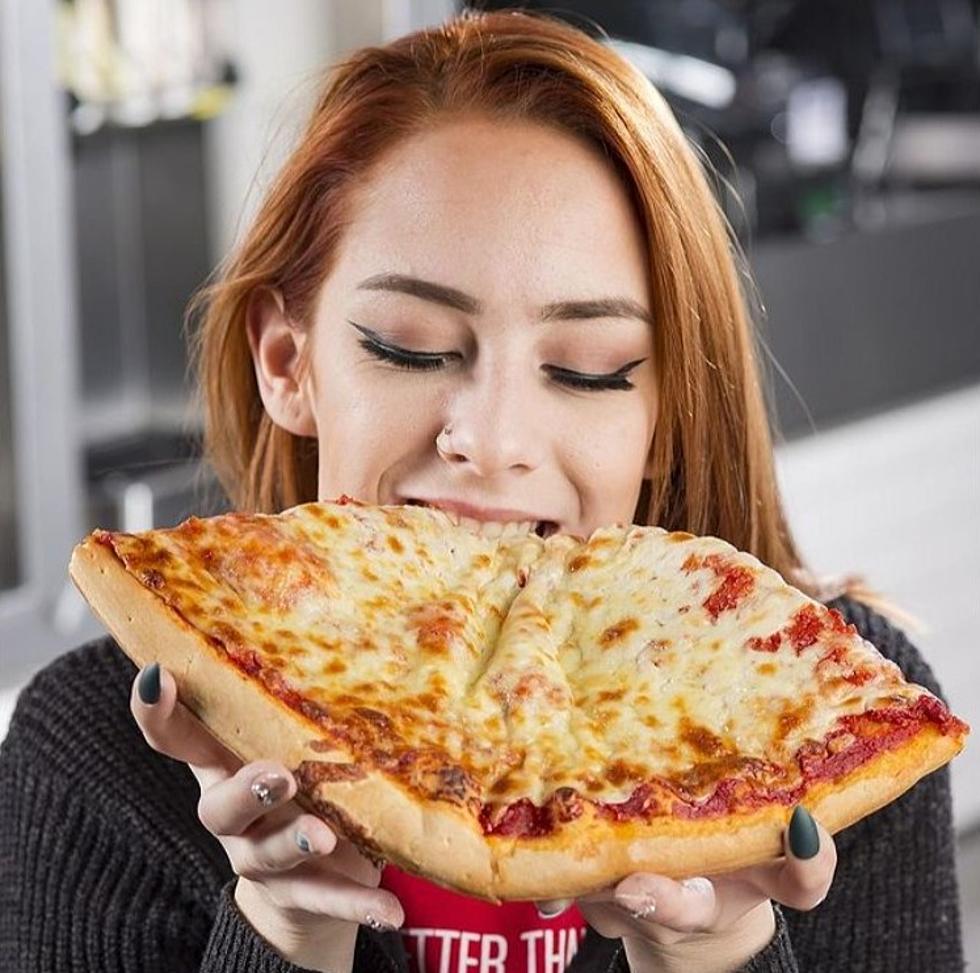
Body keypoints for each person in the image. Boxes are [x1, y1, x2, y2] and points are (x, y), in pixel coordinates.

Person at [0, 8, 964, 972]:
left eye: (588, 368)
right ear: (289, 361)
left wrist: (718, 953)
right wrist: (288, 929)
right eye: (410, 348)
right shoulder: (92, 751)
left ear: (663, 413)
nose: (493, 441)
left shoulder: (819, 717)